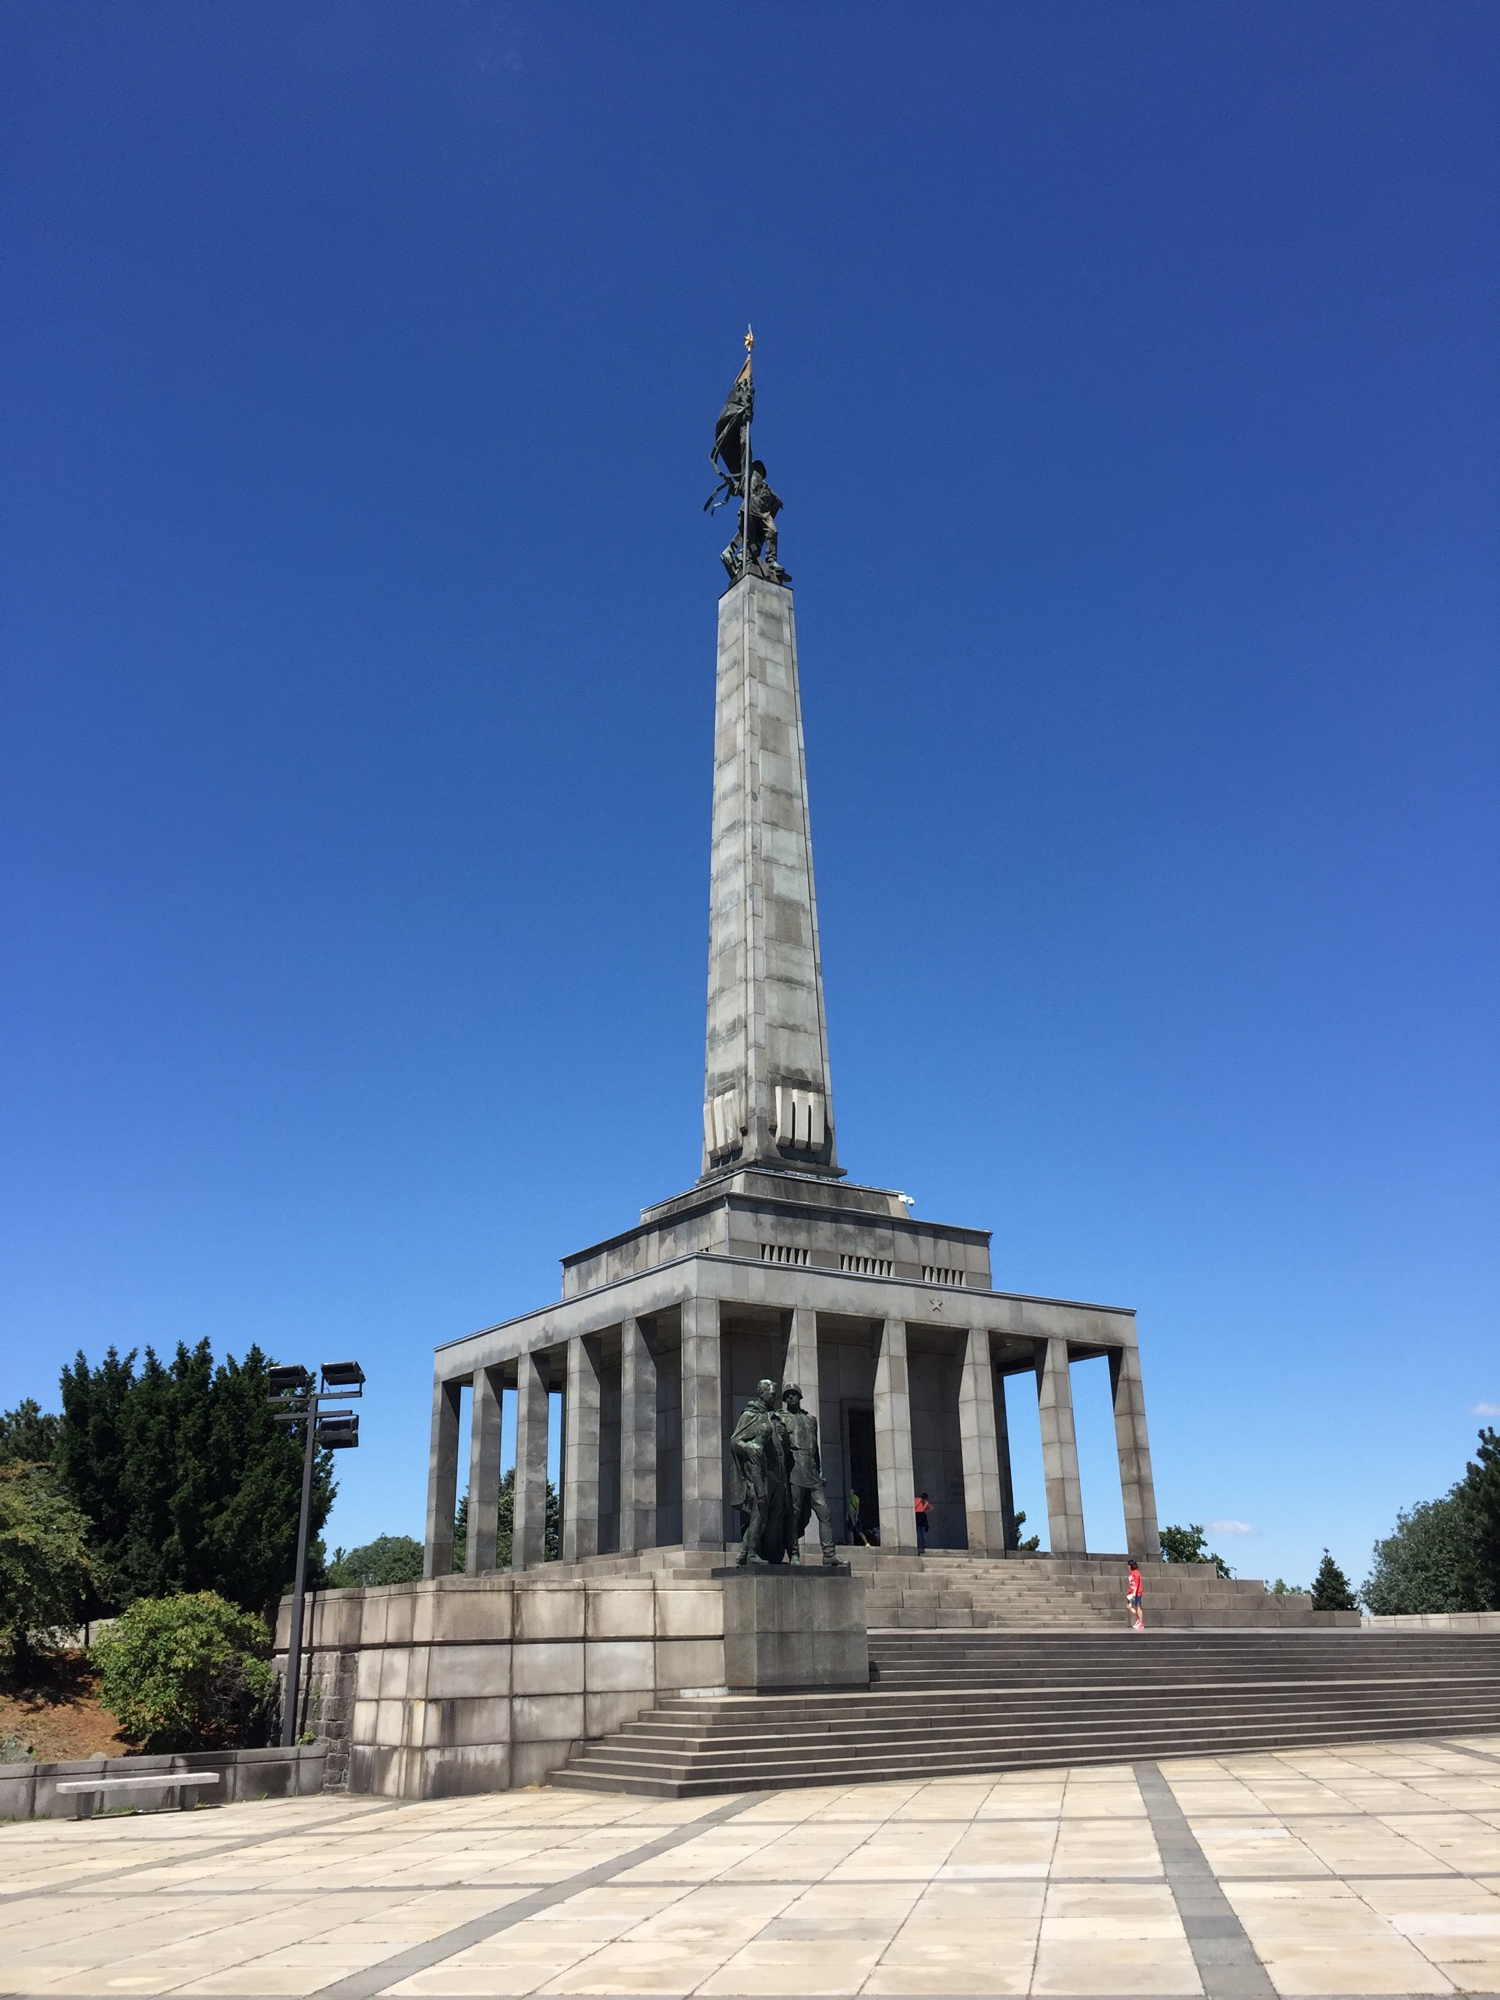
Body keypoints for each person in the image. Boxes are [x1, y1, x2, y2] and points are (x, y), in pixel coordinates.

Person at [729, 1379, 793, 1567]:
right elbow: (735, 1441)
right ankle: (751, 1553)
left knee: (775, 1514)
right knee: (760, 1512)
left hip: (778, 1474)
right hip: (761, 1473)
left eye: (775, 1394)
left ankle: (768, 1553)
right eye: (771, 1393)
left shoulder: (774, 1416)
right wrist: (748, 1448)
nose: (774, 1396)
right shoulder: (750, 1414)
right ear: (762, 1393)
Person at [780, 1384, 840, 1567]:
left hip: (812, 1472)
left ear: (800, 1397)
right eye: (787, 1395)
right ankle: (794, 1553)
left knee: (825, 1513)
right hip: (794, 1470)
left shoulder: (811, 1420)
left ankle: (829, 1554)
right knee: (794, 1514)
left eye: (794, 1394)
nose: (790, 1397)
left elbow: (815, 1449)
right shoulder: (780, 1418)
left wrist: (819, 1472)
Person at [1126, 1557, 1145, 1631]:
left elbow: (1136, 1584)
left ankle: (1140, 1623)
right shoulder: (1132, 1573)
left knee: (1138, 1607)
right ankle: (1138, 1620)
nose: (1127, 1566)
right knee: (1129, 1606)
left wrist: (1134, 1593)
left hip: (1137, 1592)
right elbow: (1132, 1584)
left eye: (1128, 1565)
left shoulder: (1136, 1573)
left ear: (1131, 1565)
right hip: (1132, 1592)